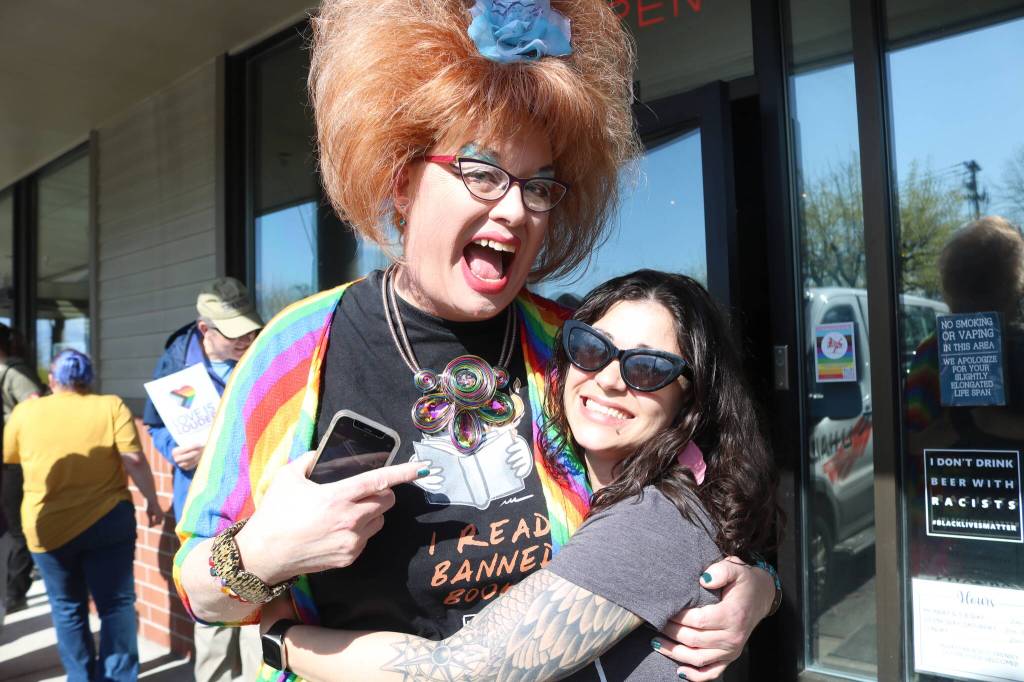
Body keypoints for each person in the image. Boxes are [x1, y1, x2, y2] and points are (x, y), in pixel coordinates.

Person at [173, 2, 780, 681]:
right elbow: (200, 591)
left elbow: (688, 490)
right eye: (482, 172)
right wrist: (262, 553)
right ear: (401, 181)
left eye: (539, 186)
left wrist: (754, 586)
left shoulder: (572, 350)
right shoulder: (295, 350)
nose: (515, 209)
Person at [262, 270, 780, 681]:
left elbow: (459, 674)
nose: (608, 380)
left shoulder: (654, 521)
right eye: (591, 349)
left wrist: (282, 639)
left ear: (689, 395)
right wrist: (765, 587)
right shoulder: (578, 471)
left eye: (647, 368)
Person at [2, 350, 162, 681]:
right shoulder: (111, 405)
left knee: (66, 607)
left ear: (51, 380)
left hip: (47, 528)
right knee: (116, 605)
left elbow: (11, 461)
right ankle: (118, 678)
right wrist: (152, 500)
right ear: (89, 379)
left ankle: (80, 677)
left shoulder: (25, 411)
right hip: (108, 523)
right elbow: (133, 459)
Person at [142, 277, 264, 682]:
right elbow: (155, 424)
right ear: (204, 329)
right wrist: (172, 452)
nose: (246, 339)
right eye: (235, 334)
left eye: (250, 328)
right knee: (213, 614)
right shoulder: (176, 361)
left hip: (255, 502)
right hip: (202, 503)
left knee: (255, 608)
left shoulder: (261, 352)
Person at [0, 323, 44, 615]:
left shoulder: (15, 373)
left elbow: (36, 412)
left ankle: (15, 591)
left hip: (17, 461)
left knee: (16, 528)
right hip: (8, 460)